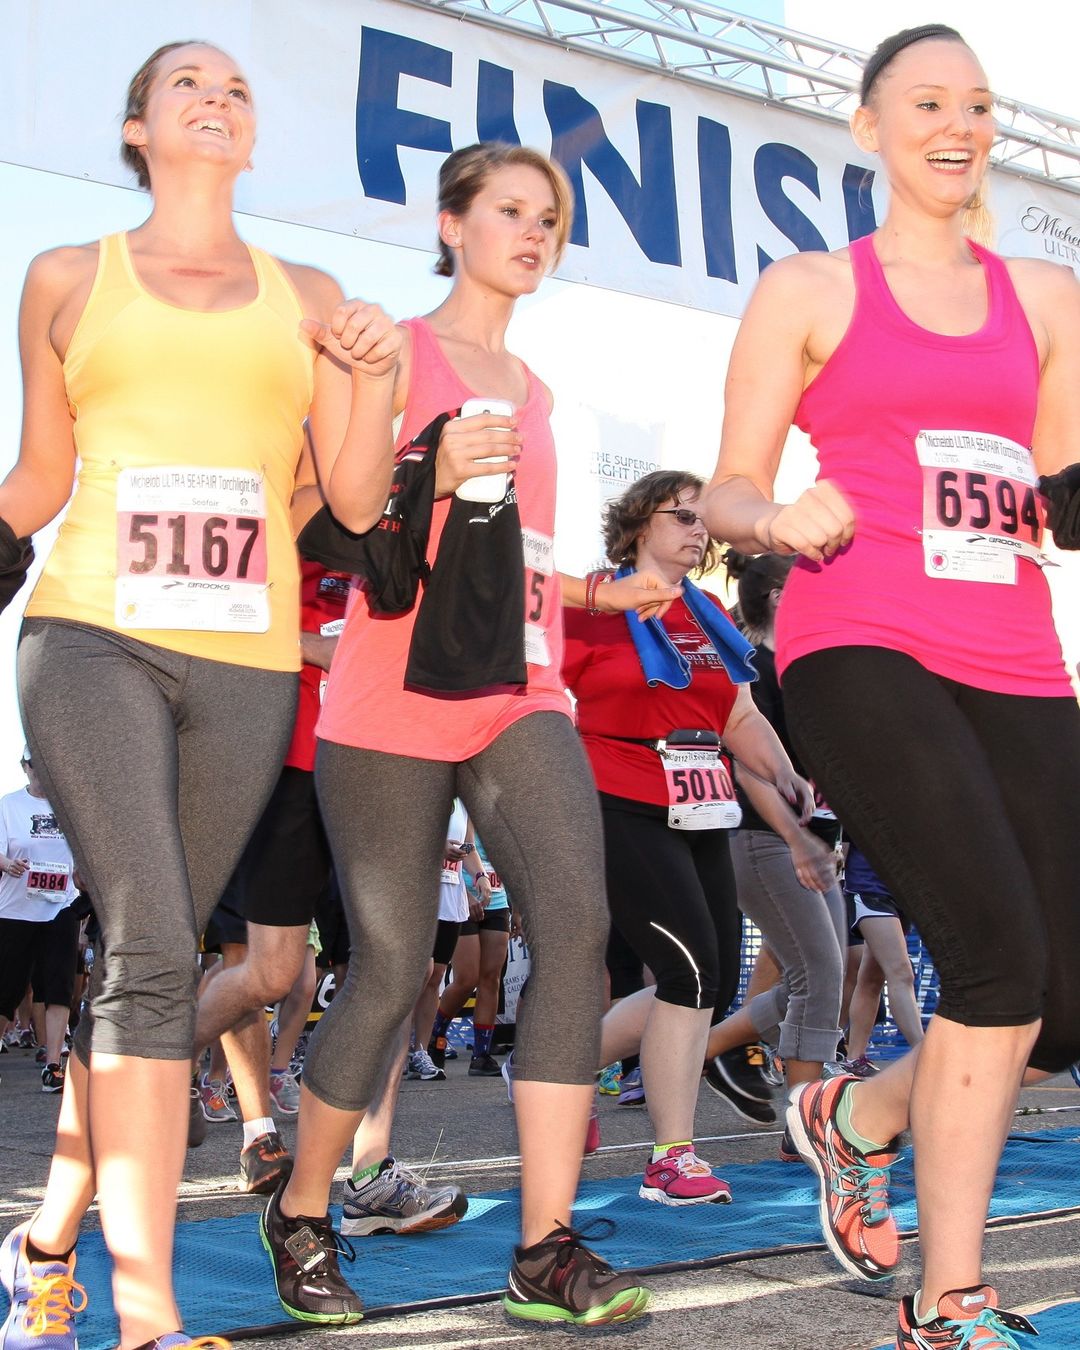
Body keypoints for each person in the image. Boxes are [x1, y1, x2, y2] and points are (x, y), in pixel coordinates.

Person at [0, 40, 401, 1350]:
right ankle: (149, 1318)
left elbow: (346, 501)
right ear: (138, 128)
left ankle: (44, 1244)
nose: (217, 100)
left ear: (251, 136)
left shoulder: (310, 296)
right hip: (92, 633)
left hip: (245, 658)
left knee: (153, 967)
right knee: (156, 949)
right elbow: (39, 479)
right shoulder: (68, 276)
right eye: (188, 85)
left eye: (236, 90)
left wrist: (379, 378)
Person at [703, 23, 1080, 1349]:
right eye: (927, 102)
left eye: (977, 104)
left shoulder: (1048, 298)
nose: (957, 124)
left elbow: (1066, 497)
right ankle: (945, 1303)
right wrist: (773, 518)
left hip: (1016, 652)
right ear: (869, 125)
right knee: (995, 959)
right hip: (859, 638)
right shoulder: (811, 288)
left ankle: (854, 1112)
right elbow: (727, 487)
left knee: (1059, 1006)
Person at [259, 141, 676, 1331]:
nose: (534, 233)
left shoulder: (535, 390)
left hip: (521, 691)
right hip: (391, 693)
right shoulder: (389, 346)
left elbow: (515, 566)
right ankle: (303, 1209)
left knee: (576, 929)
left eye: (550, 218)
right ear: (452, 225)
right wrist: (428, 460)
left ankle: (545, 1247)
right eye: (510, 211)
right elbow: (331, 509)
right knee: (393, 966)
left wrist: (598, 596)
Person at [562, 470, 815, 1206]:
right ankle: (671, 1157)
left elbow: (739, 715)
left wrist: (786, 774)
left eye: (704, 521)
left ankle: (556, 1071)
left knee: (710, 980)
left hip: (701, 804)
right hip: (619, 796)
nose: (699, 531)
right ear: (639, 523)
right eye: (682, 516)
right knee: (690, 974)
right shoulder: (594, 604)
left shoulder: (707, 615)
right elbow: (536, 689)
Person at [699, 550, 847, 1155]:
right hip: (764, 839)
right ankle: (805, 1129)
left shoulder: (796, 666)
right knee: (819, 975)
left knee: (822, 976)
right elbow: (747, 764)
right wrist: (796, 838)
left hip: (804, 843)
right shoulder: (753, 665)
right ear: (782, 596)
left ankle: (709, 1049)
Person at [0, 751, 81, 1094]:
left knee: (59, 986)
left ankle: (53, 1065)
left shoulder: (69, 806)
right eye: (34, 764)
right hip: (16, 909)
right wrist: (6, 864)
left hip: (61, 906)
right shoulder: (9, 805)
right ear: (25, 767)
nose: (40, 771)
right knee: (7, 988)